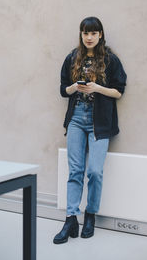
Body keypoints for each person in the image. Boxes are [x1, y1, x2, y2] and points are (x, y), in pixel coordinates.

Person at [53, 16, 127, 244]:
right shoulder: (72, 58)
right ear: (81, 34)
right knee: (75, 170)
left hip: (100, 121)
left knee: (95, 171)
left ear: (100, 35)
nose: (89, 37)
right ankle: (70, 219)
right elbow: (63, 90)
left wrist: (98, 88)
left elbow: (119, 91)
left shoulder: (111, 60)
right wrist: (75, 87)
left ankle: (90, 215)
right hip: (76, 118)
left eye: (94, 33)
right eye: (86, 33)